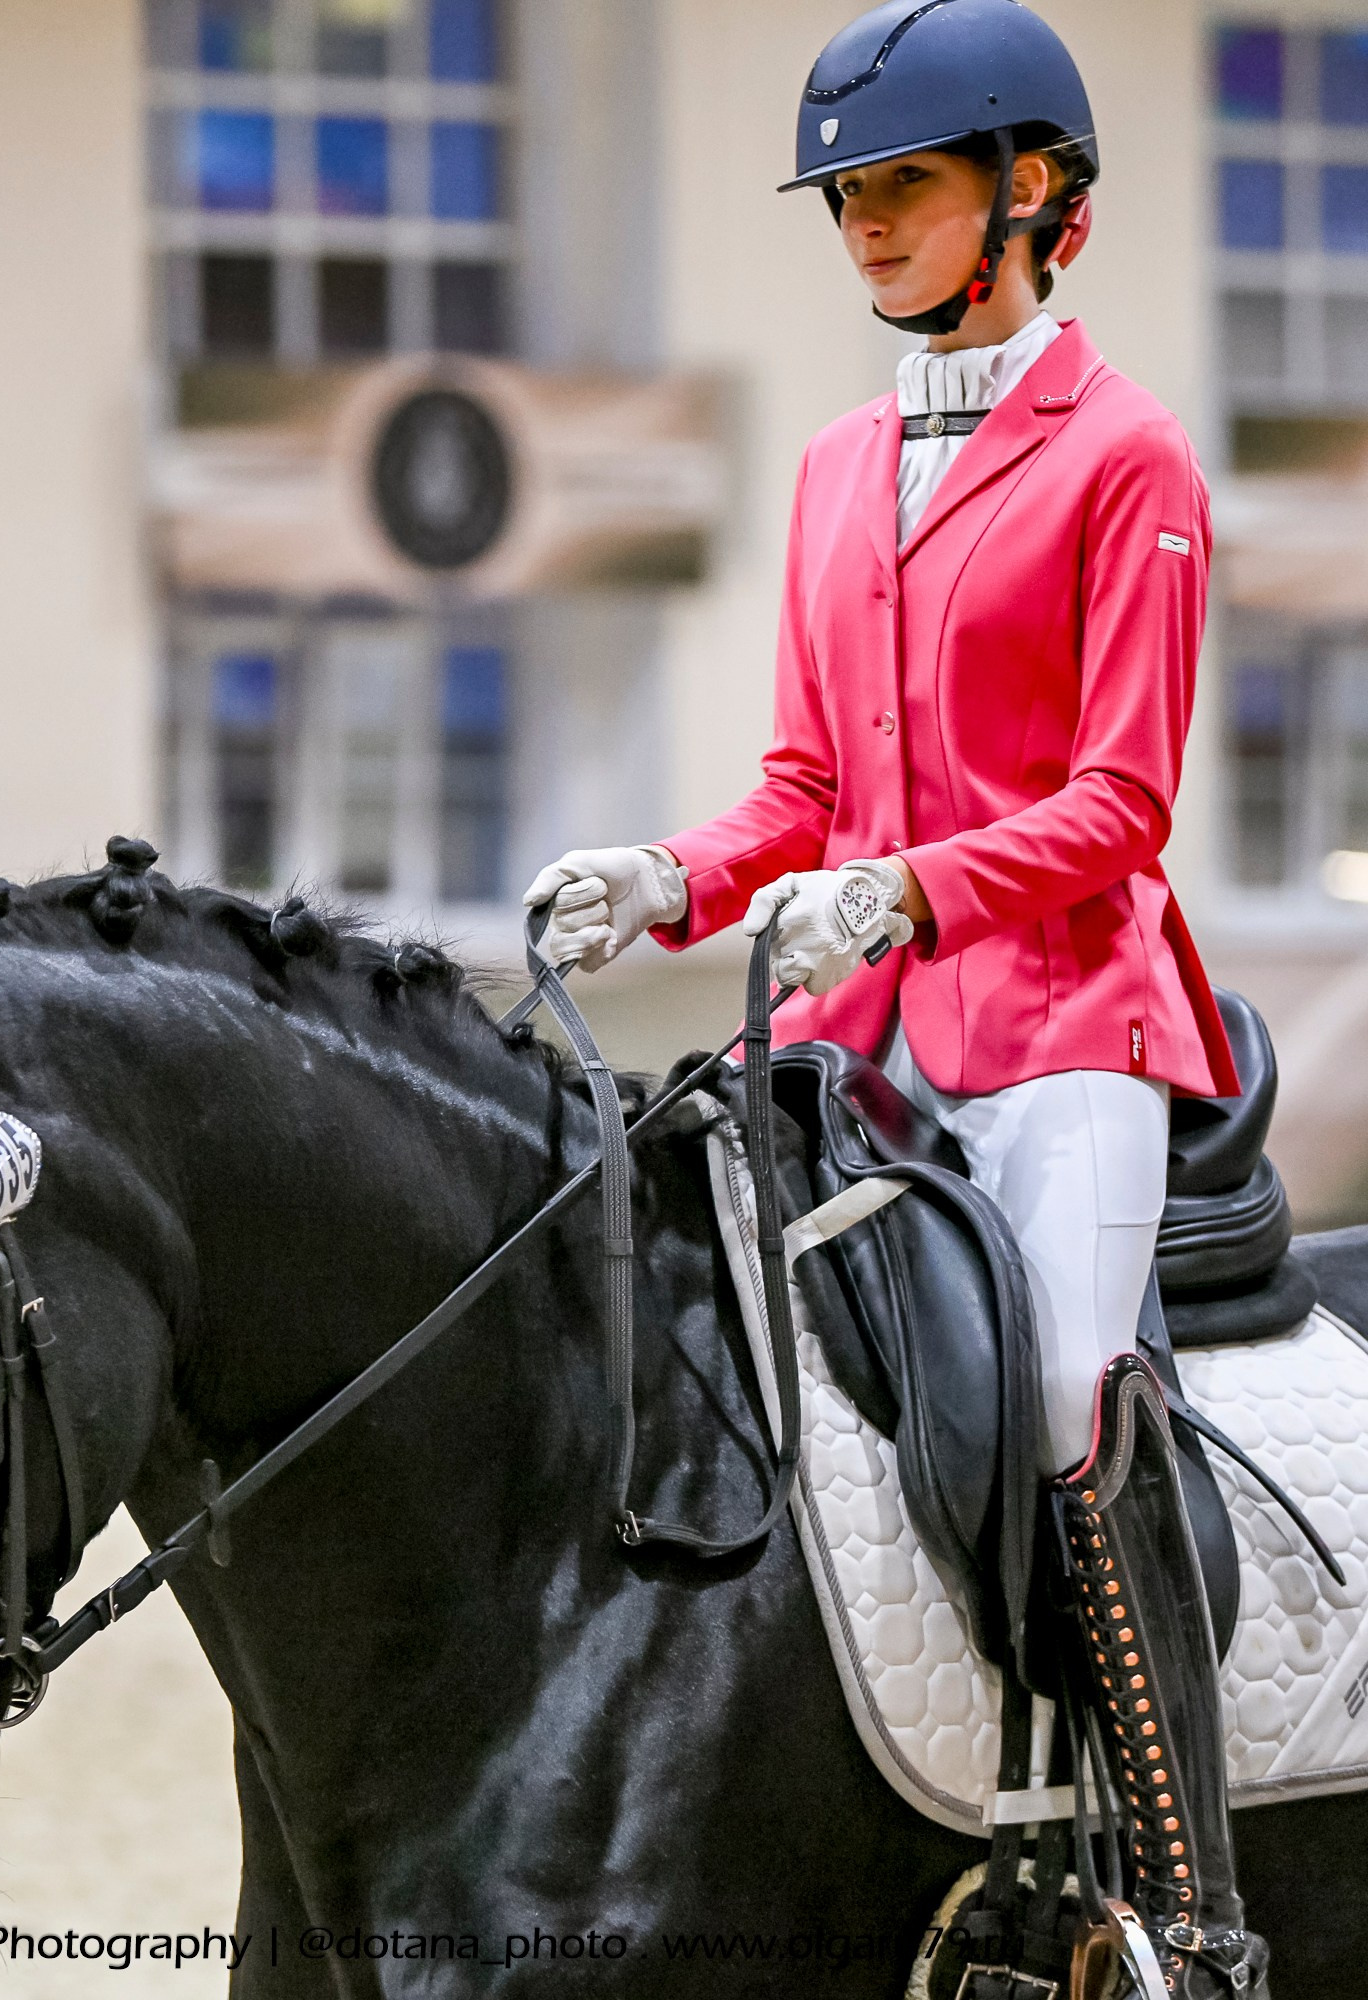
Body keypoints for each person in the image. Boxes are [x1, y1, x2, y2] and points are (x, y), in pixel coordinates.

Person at [522, 4, 1268, 1995]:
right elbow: (801, 789)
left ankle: (1186, 1911)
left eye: (902, 184)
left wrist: (909, 891)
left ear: (1032, 198)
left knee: (1054, 1406)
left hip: (1061, 1028)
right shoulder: (840, 465)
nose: (861, 223)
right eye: (844, 193)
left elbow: (1119, 804)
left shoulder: (1131, 459)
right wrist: (668, 875)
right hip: (850, 1046)